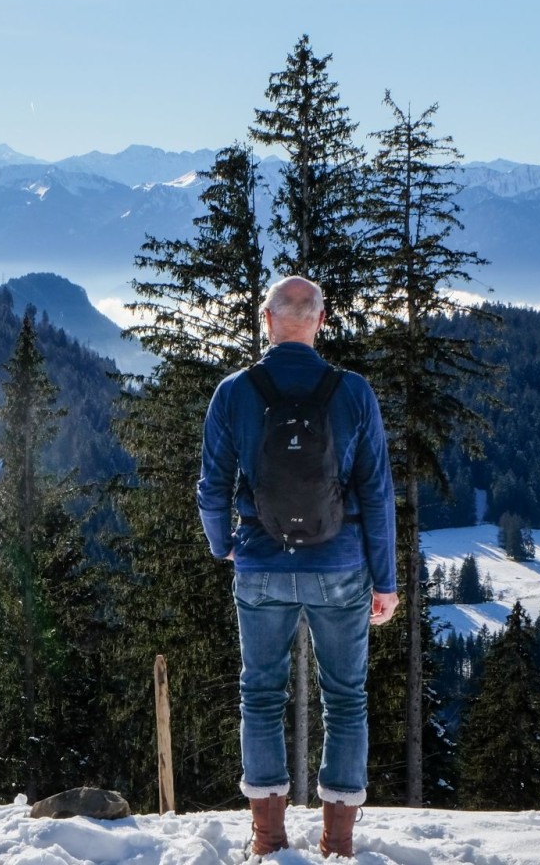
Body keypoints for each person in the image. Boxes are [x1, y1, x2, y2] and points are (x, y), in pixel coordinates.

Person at [197, 276, 398, 859]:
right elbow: (378, 492)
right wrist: (383, 580)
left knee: (260, 695)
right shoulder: (353, 392)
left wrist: (223, 546)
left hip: (259, 564)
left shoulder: (235, 391)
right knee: (346, 698)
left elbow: (213, 488)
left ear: (267, 319)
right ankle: (337, 843)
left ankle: (268, 837)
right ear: (320, 320)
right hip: (340, 566)